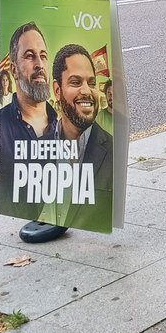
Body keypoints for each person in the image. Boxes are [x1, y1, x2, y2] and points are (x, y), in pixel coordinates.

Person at [46, 44, 115, 232]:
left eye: (91, 83)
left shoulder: (112, 151)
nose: (87, 91)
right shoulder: (35, 147)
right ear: (57, 90)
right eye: (76, 82)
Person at [0, 22, 58, 221]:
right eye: (30, 56)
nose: (39, 65)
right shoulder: (2, 126)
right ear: (14, 70)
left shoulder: (67, 127)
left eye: (43, 56)